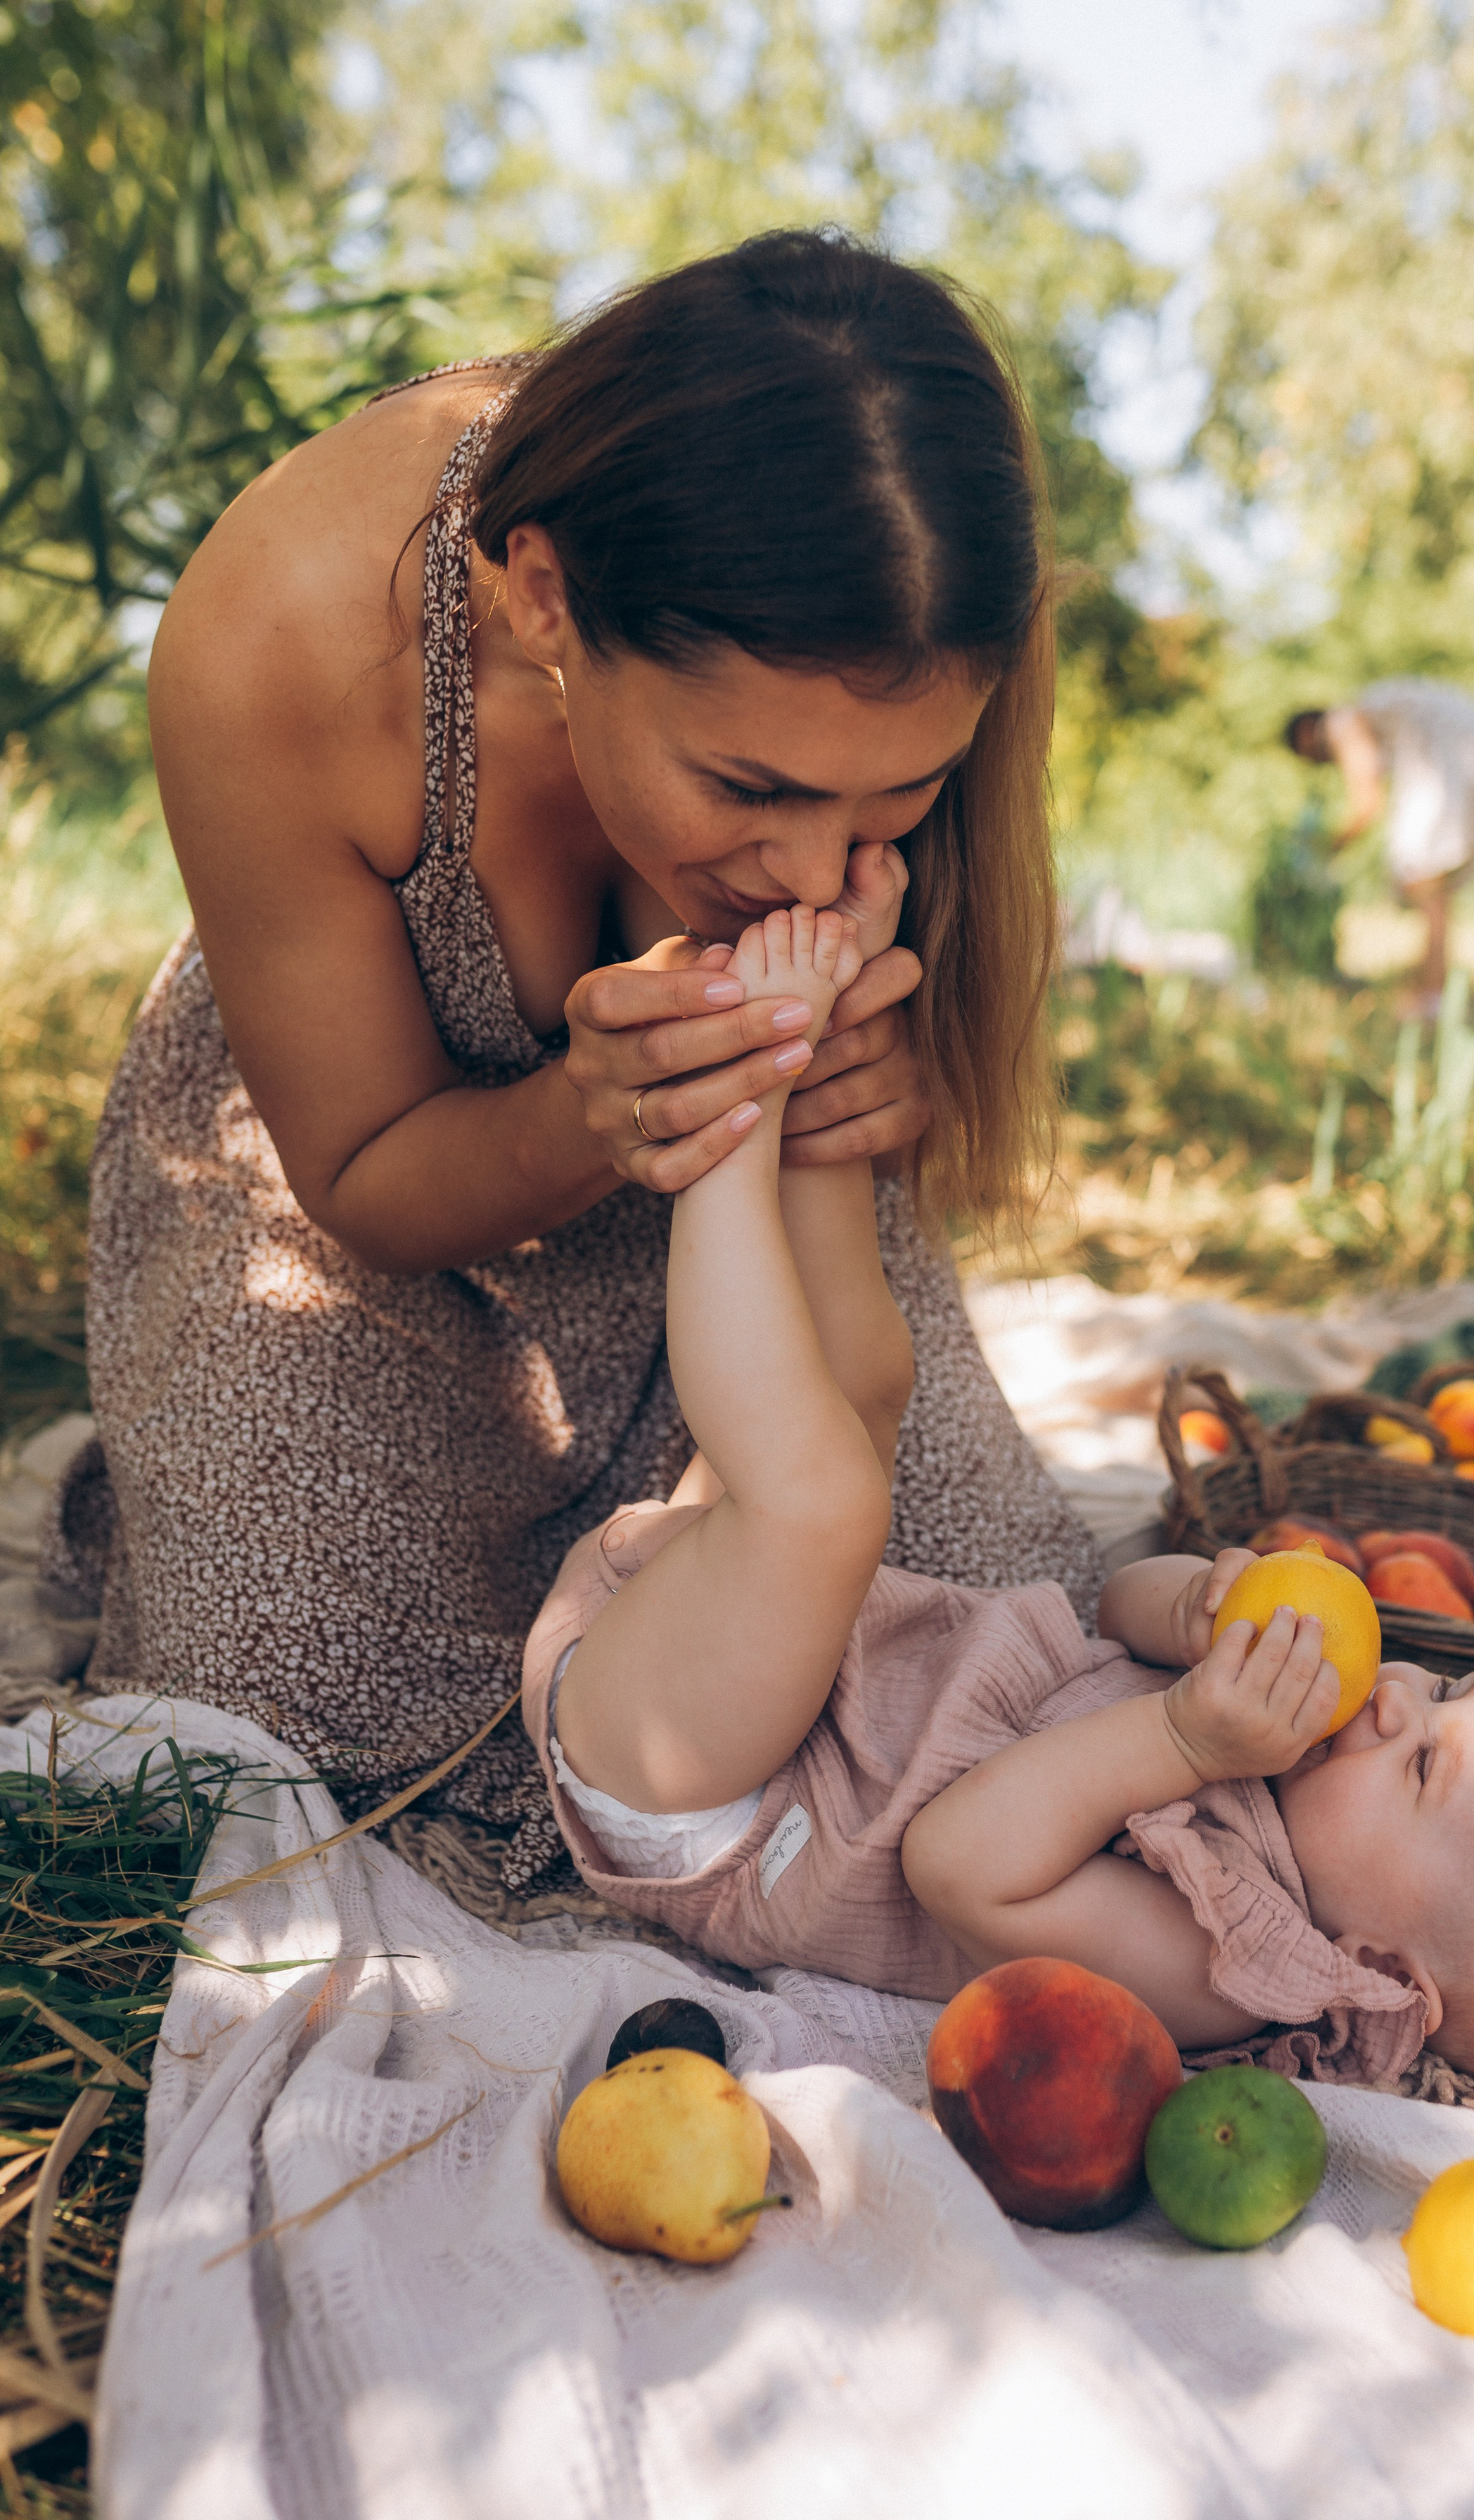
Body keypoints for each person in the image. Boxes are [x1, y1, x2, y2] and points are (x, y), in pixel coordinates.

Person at [46, 230, 1101, 1888]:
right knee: (272, 1748)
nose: (821, 878)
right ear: (541, 595)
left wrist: (871, 1091)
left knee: (997, 1642)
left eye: (885, 809)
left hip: (745, 1232)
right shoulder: (285, 638)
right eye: (749, 792)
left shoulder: (899, 595)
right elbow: (358, 1171)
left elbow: (873, 1231)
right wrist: (589, 1117)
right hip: (371, 1228)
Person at [526, 899, 1474, 2096]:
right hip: (766, 1669)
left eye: (1424, 1765)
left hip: (708, 1796)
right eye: (1453, 1686)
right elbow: (1109, 1606)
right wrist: (1199, 1616)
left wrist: (1179, 1738)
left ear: (1383, 1969)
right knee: (864, 1386)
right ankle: (816, 1102)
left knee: (825, 1497)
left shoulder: (1228, 1969)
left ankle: (728, 1121)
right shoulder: (1284, 1742)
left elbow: (962, 1859)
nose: (1397, 1701)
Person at [1283, 681, 1474, 1014]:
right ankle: (1431, 989)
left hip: (1462, 765)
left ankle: (1431, 997)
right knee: (1430, 883)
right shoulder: (1380, 712)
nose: (1319, 762)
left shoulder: (1341, 723)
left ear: (1307, 734)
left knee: (1421, 875)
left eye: (1309, 756)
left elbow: (1367, 804)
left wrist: (1328, 847)